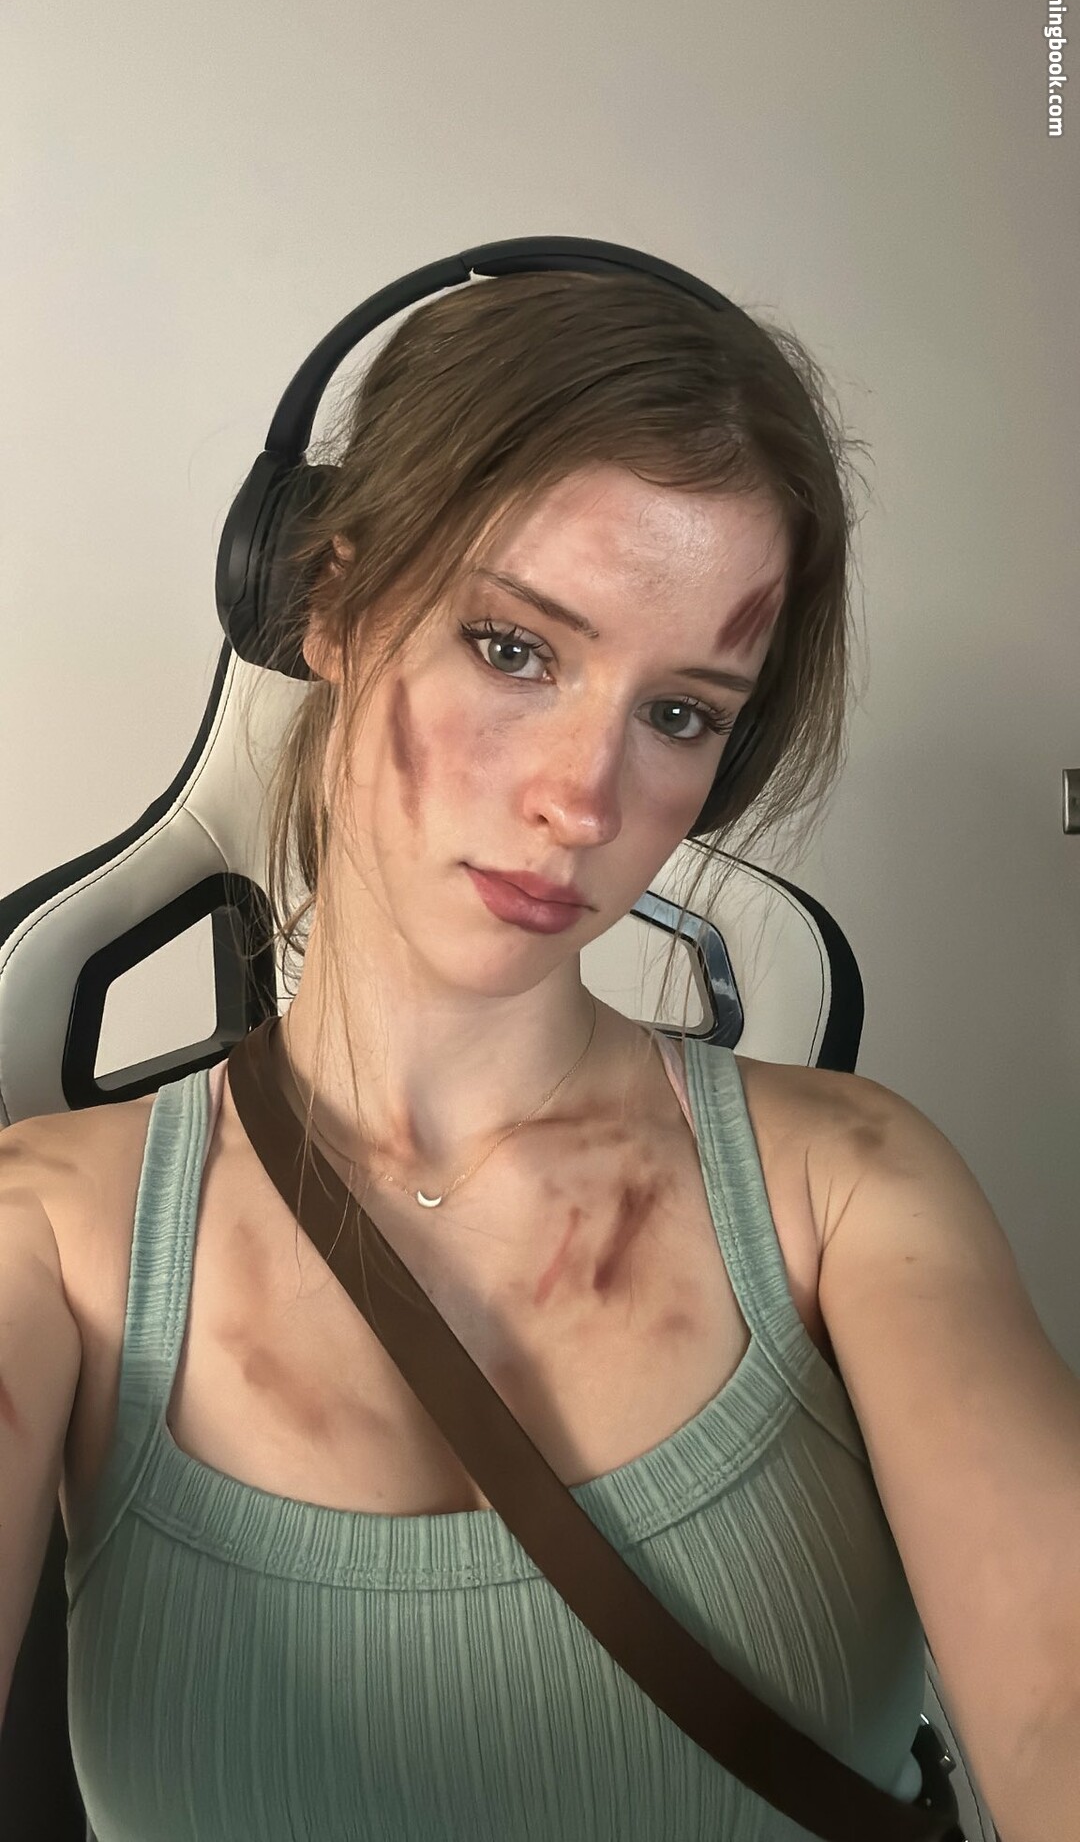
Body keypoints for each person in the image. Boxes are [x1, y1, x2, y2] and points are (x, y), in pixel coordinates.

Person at [8, 270, 953, 1838]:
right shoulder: (42, 1232)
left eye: (681, 713)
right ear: (328, 602)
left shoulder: (859, 1186)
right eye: (513, 648)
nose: (585, 801)